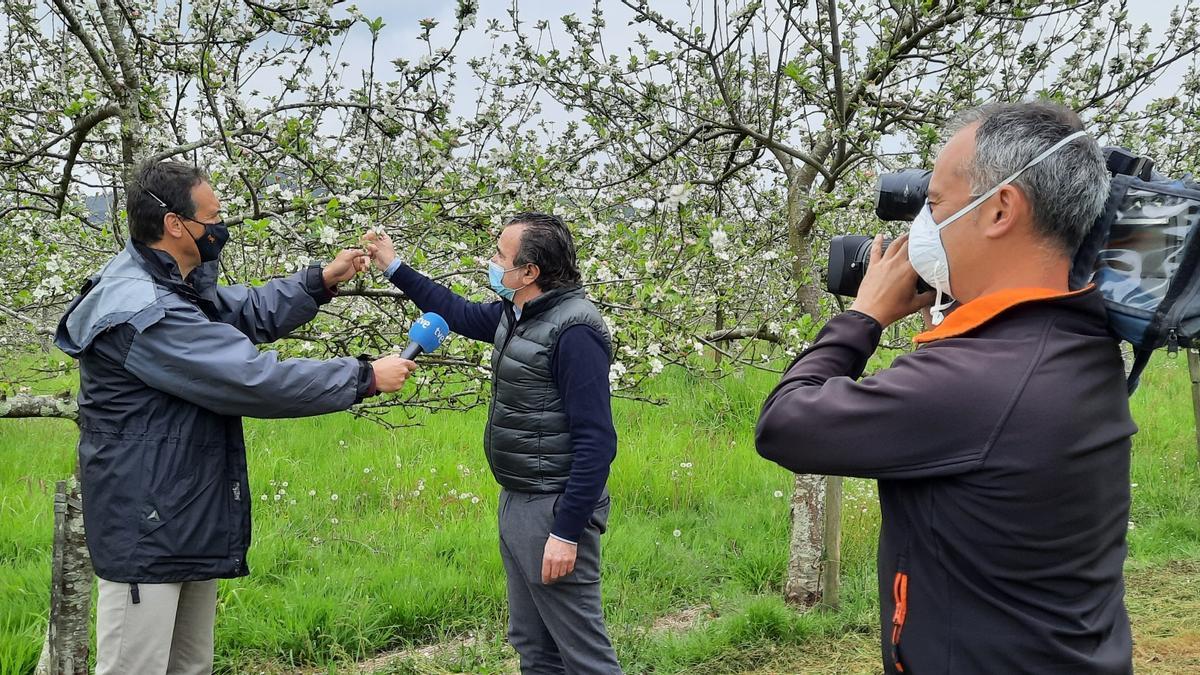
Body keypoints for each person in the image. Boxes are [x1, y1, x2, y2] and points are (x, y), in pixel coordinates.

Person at [755, 102, 1136, 674]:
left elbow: (785, 424)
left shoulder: (980, 383)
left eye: (934, 205)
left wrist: (863, 317)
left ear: (1001, 208)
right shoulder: (1074, 336)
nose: (921, 230)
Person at [54, 160, 416, 675]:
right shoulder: (144, 311)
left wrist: (318, 281)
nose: (221, 228)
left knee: (189, 667)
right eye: (213, 217)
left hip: (178, 514)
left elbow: (240, 310)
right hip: (146, 526)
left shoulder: (170, 283)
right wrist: (362, 376)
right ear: (176, 225)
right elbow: (251, 379)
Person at [365, 213, 622, 674]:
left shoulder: (575, 331)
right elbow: (456, 311)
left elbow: (597, 441)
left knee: (583, 654)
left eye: (500, 257)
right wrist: (392, 264)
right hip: (518, 499)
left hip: (553, 508)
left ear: (530, 272)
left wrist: (565, 532)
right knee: (533, 643)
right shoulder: (517, 314)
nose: (491, 263)